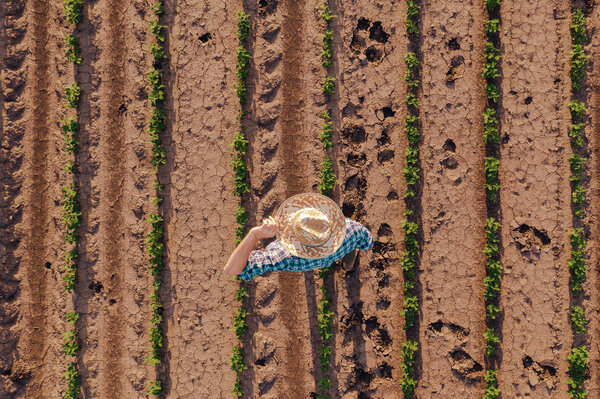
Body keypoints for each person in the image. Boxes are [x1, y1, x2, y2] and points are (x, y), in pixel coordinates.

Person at [223, 192, 373, 281]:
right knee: (349, 248)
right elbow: (367, 242)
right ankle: (348, 263)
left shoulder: (284, 257)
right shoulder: (352, 229)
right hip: (341, 248)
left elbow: (232, 269)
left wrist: (254, 235)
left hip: (307, 263)